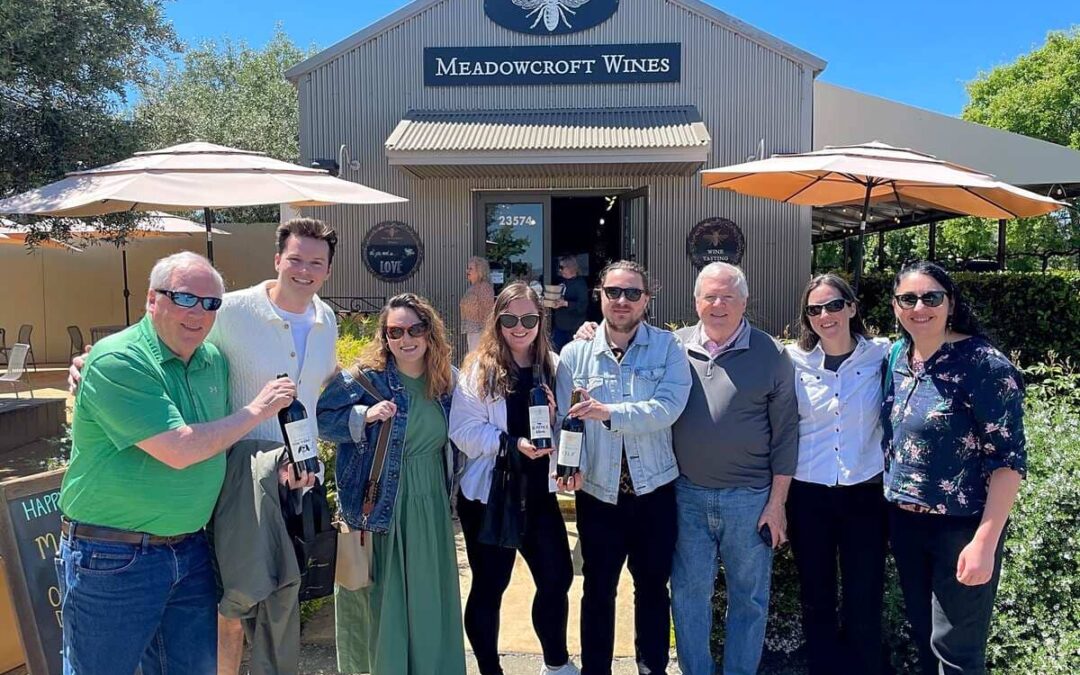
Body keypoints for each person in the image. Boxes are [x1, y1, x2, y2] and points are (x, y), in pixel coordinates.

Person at [69, 218, 340, 675]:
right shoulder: (229, 311)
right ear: (277, 260)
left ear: (328, 270)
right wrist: (92, 360)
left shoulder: (319, 321)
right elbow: (152, 345)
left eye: (316, 262)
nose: (197, 313)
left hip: (239, 513)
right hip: (141, 538)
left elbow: (326, 386)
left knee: (272, 603)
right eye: (295, 259)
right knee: (228, 613)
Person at [883, 262, 1025, 675]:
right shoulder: (898, 356)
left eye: (931, 297)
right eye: (908, 299)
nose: (919, 307)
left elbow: (1008, 461)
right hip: (906, 523)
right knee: (926, 638)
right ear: (895, 307)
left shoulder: (984, 365)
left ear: (951, 303)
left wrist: (985, 542)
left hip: (961, 527)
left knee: (957, 652)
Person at [316, 293, 466, 675]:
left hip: (431, 503)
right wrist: (363, 416)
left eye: (415, 329)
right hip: (385, 505)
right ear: (385, 336)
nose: (406, 339)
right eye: (395, 331)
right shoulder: (366, 379)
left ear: (430, 332)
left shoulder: (447, 381)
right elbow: (321, 420)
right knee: (385, 600)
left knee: (429, 597)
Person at [555, 260, 691, 675]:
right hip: (598, 492)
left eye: (632, 293)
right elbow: (566, 420)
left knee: (652, 588)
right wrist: (571, 467)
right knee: (598, 590)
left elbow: (667, 408)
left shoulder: (668, 348)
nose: (622, 301)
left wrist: (608, 412)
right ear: (600, 295)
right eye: (613, 292)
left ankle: (652, 668)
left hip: (654, 492)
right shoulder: (575, 354)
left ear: (647, 299)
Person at [666, 262, 798, 675]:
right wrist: (588, 331)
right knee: (687, 598)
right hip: (687, 495)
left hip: (750, 499)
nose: (718, 305)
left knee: (749, 600)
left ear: (744, 302)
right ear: (696, 302)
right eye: (710, 296)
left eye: (728, 296)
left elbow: (786, 436)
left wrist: (776, 505)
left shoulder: (772, 354)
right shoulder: (673, 347)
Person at [449, 282, 577, 675]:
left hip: (538, 492)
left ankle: (556, 664)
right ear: (497, 320)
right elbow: (463, 431)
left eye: (528, 319)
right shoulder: (479, 368)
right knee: (490, 585)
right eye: (509, 320)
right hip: (491, 496)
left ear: (540, 321)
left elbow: (570, 426)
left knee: (557, 577)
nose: (519, 328)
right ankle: (490, 669)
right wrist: (510, 443)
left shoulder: (555, 366)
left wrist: (554, 420)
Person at [786, 274, 889, 675]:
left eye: (833, 305)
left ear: (851, 307)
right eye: (815, 309)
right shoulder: (792, 361)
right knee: (816, 596)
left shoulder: (882, 354)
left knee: (865, 596)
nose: (825, 315)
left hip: (865, 493)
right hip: (808, 494)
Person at [551, 255, 589, 351]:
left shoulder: (580, 284)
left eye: (561, 267)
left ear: (570, 267)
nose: (559, 270)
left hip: (574, 328)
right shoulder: (561, 281)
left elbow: (583, 306)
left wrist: (565, 303)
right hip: (559, 326)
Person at [461, 256, 495, 353]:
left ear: (479, 271)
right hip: (472, 331)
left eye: (470, 269)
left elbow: (488, 312)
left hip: (480, 332)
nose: (467, 271)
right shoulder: (472, 288)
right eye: (467, 268)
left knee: (477, 358)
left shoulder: (484, 287)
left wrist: (486, 334)